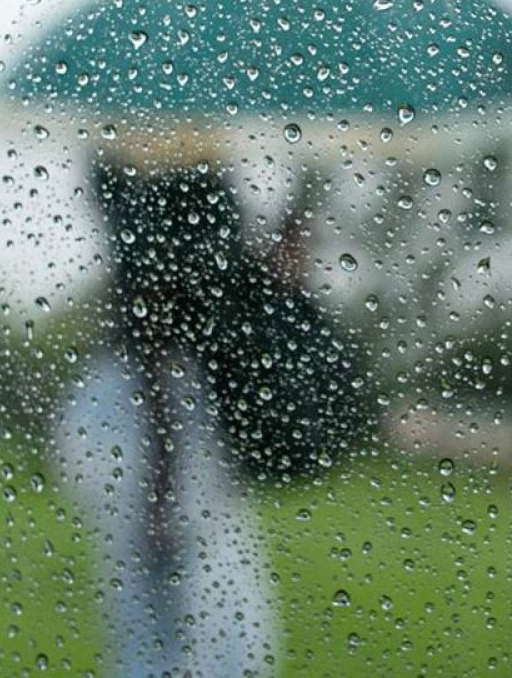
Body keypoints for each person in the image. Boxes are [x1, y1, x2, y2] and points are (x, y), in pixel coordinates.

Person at [56, 154, 364, 677]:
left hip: (173, 423)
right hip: (151, 427)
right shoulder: (136, 377)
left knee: (209, 635)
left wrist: (269, 281)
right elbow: (160, 298)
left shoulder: (187, 178)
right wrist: (161, 479)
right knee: (188, 636)